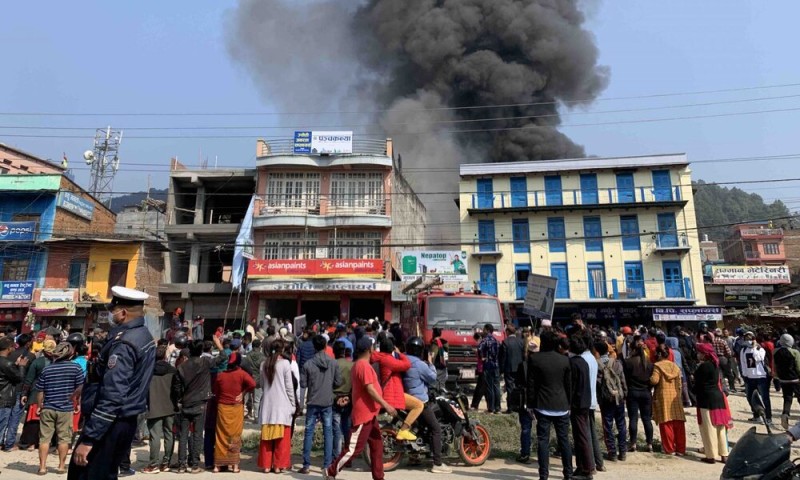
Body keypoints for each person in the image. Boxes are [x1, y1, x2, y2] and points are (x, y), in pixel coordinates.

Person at [68, 287, 156, 480]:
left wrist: (90, 439)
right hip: (124, 420)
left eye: (113, 311)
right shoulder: (144, 335)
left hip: (109, 423)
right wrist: (89, 386)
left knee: (85, 474)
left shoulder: (124, 344)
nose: (110, 315)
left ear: (123, 313)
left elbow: (113, 395)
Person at [324, 337, 398, 480]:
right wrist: (386, 405)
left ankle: (379, 476)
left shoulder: (361, 364)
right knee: (353, 449)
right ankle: (331, 471)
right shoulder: (362, 365)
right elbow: (369, 389)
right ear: (369, 349)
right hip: (364, 415)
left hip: (370, 414)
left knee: (377, 446)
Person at [172, 336, 226, 473]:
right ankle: (195, 464)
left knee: (183, 436)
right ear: (201, 350)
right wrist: (219, 345)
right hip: (200, 403)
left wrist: (177, 402)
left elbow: (176, 388)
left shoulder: (181, 367)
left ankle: (182, 465)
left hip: (185, 403)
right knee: (197, 434)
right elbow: (223, 358)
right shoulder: (205, 362)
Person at [526, 330, 573, 480]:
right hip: (562, 405)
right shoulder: (564, 360)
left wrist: (530, 405)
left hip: (542, 404)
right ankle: (568, 473)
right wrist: (569, 404)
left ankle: (543, 475)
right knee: (564, 440)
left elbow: (531, 385)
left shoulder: (535, 359)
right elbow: (568, 385)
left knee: (543, 441)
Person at [403, 336, 452, 474]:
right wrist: (430, 362)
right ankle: (437, 463)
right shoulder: (420, 364)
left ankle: (414, 457)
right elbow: (433, 378)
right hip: (419, 401)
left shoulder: (404, 359)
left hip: (406, 399)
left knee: (417, 429)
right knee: (436, 429)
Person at [36, 342, 82, 475]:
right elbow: (79, 388)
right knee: (64, 438)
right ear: (70, 354)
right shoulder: (76, 368)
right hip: (65, 408)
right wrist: (77, 403)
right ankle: (61, 467)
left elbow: (40, 391)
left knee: (44, 439)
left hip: (48, 407)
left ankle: (42, 467)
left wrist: (40, 405)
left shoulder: (47, 369)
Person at [299, 334, 342, 474]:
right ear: (325, 346)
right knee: (328, 432)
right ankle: (327, 464)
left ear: (314, 347)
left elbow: (303, 384)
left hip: (312, 401)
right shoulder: (333, 363)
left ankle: (306, 465)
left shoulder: (307, 364)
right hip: (327, 402)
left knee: (309, 432)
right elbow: (338, 382)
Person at [371, 332, 420, 441]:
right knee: (418, 405)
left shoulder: (377, 357)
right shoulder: (387, 360)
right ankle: (404, 430)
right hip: (391, 395)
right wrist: (401, 354)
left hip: (386, 392)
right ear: (391, 349)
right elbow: (407, 365)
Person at [212, 351, 255, 473]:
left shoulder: (220, 375)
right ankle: (234, 465)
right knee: (235, 436)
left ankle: (217, 465)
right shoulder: (241, 374)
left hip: (222, 408)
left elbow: (215, 390)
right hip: (236, 408)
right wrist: (243, 393)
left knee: (220, 435)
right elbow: (253, 384)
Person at [258, 339, 296, 474]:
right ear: (283, 350)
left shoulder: (264, 364)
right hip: (282, 405)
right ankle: (278, 466)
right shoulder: (285, 364)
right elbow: (289, 388)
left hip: (267, 405)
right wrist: (293, 404)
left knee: (266, 439)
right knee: (282, 440)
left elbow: (262, 385)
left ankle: (266, 466)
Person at [142, 344, 178, 474]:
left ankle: (153, 464)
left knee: (155, 436)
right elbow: (176, 389)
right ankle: (166, 463)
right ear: (165, 356)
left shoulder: (148, 371)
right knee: (169, 434)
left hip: (153, 406)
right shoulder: (173, 370)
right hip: (170, 406)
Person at [694, 343, 732, 464]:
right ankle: (724, 454)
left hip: (706, 399)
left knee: (708, 427)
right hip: (718, 398)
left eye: (699, 352)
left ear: (704, 354)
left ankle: (710, 455)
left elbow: (697, 385)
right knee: (720, 426)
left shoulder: (703, 367)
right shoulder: (715, 365)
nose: (697, 354)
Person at [19, 340, 57, 451]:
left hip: (36, 393)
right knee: (48, 421)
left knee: (33, 420)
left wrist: (24, 393)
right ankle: (46, 442)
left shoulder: (37, 362)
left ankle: (30, 443)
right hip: (52, 394)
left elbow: (29, 379)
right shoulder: (57, 362)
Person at [650, 344, 686, 456]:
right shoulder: (675, 366)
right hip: (675, 397)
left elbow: (654, 381)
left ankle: (669, 449)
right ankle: (680, 449)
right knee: (678, 423)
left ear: (659, 354)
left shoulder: (657, 366)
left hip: (663, 397)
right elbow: (679, 384)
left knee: (666, 423)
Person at [596, 341, 627, 462]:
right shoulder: (617, 363)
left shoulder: (596, 364)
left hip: (605, 400)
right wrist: (624, 394)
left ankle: (612, 453)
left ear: (597, 351)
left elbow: (597, 384)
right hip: (618, 397)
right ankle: (623, 452)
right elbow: (622, 380)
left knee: (607, 425)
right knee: (621, 424)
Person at [568, 335, 594, 480]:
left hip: (577, 403)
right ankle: (581, 466)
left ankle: (587, 469)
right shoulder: (583, 362)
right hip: (585, 401)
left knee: (582, 436)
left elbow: (571, 386)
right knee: (580, 435)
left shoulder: (573, 363)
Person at [623, 335, 654, 452]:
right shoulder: (649, 364)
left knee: (633, 419)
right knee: (646, 419)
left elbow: (625, 379)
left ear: (632, 349)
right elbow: (652, 380)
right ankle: (649, 444)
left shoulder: (628, 362)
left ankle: (633, 443)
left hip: (632, 392)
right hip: (646, 392)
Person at [5, 333, 35, 451]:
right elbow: (30, 376)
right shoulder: (31, 356)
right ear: (28, 343)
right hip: (21, 389)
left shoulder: (10, 354)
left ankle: (2, 440)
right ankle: (10, 442)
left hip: (8, 388)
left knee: (5, 416)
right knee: (15, 417)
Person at [740, 331, 773, 423]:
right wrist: (744, 375)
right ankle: (756, 415)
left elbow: (758, 358)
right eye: (746, 339)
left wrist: (754, 348)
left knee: (765, 398)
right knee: (750, 398)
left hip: (760, 377)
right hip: (749, 377)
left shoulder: (760, 349)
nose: (748, 341)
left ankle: (768, 417)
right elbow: (743, 364)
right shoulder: (743, 350)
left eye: (750, 339)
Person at [332, 342, 353, 459]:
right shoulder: (351, 365)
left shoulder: (332, 365)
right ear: (344, 352)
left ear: (334, 352)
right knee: (347, 428)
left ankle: (337, 457)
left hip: (335, 399)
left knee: (337, 429)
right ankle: (347, 456)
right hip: (348, 399)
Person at [775, 333, 800, 430]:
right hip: (795, 379)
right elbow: (798, 366)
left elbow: (775, 366)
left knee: (787, 398)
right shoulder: (795, 352)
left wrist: (777, 376)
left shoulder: (775, 352)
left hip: (783, 380)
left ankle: (785, 414)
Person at [499, 325, 525, 413]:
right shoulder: (521, 341)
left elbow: (503, 358)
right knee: (517, 387)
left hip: (509, 368)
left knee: (510, 388)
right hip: (519, 368)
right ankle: (518, 405)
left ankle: (510, 407)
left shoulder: (505, 342)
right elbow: (523, 355)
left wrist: (501, 369)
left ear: (507, 332)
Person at [479, 323, 501, 414]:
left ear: (487, 330)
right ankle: (498, 408)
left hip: (488, 365)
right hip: (496, 365)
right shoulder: (496, 340)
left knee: (489, 387)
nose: (482, 331)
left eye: (484, 329)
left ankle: (491, 408)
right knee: (496, 387)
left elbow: (479, 349)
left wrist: (482, 357)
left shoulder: (485, 340)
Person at [241, 338, 265, 421]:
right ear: (259, 346)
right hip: (258, 381)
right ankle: (256, 417)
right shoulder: (263, 357)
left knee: (247, 398)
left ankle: (246, 413)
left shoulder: (247, 356)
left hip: (248, 379)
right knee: (257, 400)